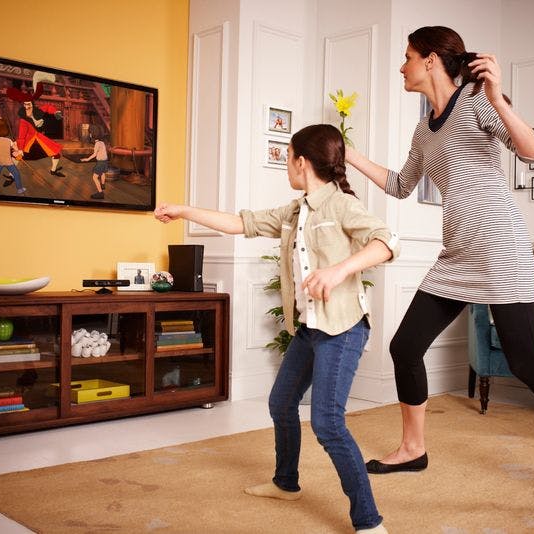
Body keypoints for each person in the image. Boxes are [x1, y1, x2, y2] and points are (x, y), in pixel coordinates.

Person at [345, 26, 534, 527]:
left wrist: (496, 95)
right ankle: (413, 447)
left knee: (529, 364)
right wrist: (351, 156)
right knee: (405, 348)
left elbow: (532, 151)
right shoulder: (424, 127)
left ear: (430, 60)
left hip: (499, 251)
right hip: (457, 256)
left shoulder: (476, 100)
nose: (401, 66)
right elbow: (403, 185)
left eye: (406, 57)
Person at [155, 124, 398, 534]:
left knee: (328, 423)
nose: (287, 164)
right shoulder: (294, 211)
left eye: (287, 157)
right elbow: (240, 223)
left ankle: (369, 522)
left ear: (301, 162)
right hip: (309, 329)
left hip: (342, 329)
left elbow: (387, 241)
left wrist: (338, 270)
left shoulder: (341, 206)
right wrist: (184, 210)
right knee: (281, 403)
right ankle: (286, 483)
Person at [6, 71, 66, 178]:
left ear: (32, 104)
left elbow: (48, 107)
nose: (26, 107)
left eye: (28, 104)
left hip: (39, 139)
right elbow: (21, 136)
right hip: (29, 142)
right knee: (18, 156)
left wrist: (55, 112)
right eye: (24, 104)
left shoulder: (38, 111)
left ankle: (53, 170)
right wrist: (20, 148)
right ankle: (11, 175)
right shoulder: (23, 120)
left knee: (56, 153)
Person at [81, 127, 109, 199]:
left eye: (90, 133)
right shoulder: (102, 142)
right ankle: (103, 185)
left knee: (95, 177)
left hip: (101, 162)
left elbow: (94, 154)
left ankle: (100, 193)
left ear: (93, 135)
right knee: (102, 173)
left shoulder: (97, 144)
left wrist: (87, 159)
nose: (89, 134)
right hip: (105, 161)